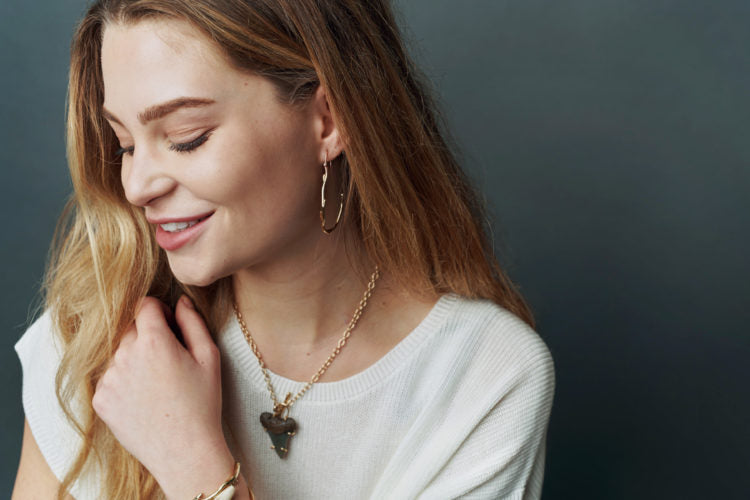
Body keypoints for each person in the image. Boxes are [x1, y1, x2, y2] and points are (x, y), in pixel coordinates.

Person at [12, 0, 555, 498]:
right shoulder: (96, 345)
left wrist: (194, 464)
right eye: (125, 144)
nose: (136, 186)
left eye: (186, 136)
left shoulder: (484, 377)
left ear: (329, 119)